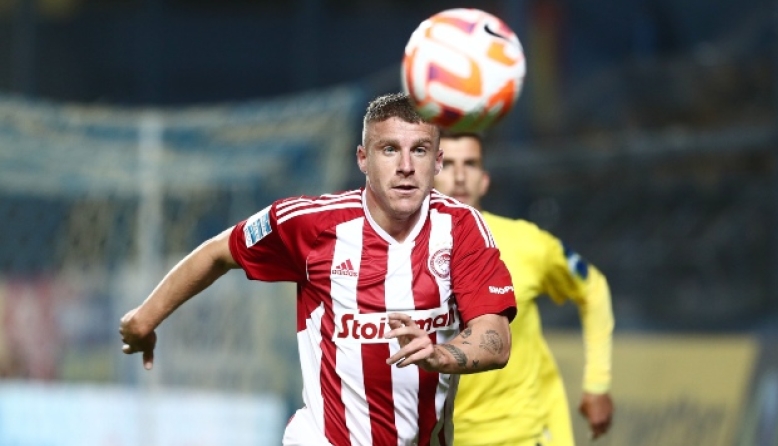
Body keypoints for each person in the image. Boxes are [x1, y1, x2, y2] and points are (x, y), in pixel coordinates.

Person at [119, 93, 518, 446]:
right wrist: (144, 319)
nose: (405, 166)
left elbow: (495, 340)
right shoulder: (309, 224)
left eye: (420, 150)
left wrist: (440, 355)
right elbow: (219, 252)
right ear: (363, 159)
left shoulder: (462, 228)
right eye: (389, 149)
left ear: (437, 161)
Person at [435, 132, 615, 446]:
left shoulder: (527, 242)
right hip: (440, 435)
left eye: (470, 164)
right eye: (447, 164)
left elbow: (593, 288)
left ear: (485, 180)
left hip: (522, 433)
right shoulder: (400, 252)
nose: (460, 176)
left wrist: (597, 383)